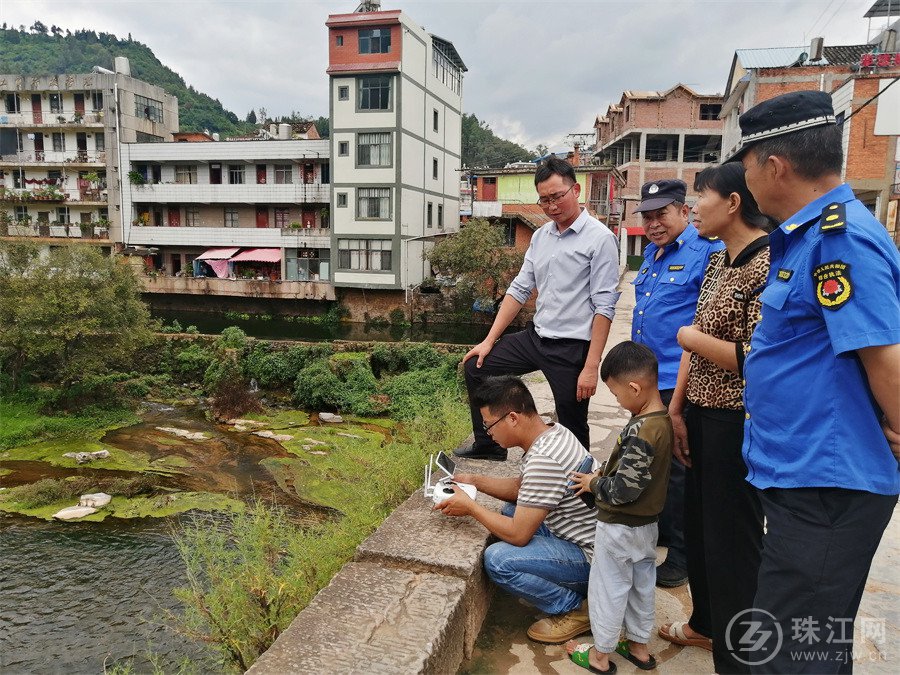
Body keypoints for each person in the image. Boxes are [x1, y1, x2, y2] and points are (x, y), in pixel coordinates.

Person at [726, 90, 900, 672]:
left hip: (829, 483)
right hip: (808, 477)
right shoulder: (805, 237)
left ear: (773, 166)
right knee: (811, 646)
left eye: (747, 167)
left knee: (790, 656)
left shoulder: (838, 238)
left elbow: (885, 356)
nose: (746, 181)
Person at [659, 163, 774, 673]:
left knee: (734, 540)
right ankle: (706, 624)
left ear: (732, 203)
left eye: (700, 197)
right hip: (700, 413)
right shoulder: (719, 263)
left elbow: (757, 355)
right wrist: (677, 409)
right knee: (701, 527)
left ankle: (740, 649)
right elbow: (698, 335)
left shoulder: (765, 264)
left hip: (738, 421)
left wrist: (689, 338)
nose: (693, 208)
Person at [454, 156, 619, 461]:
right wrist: (489, 341)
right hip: (535, 339)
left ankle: (579, 490)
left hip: (572, 348)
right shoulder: (541, 236)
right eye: (544, 200)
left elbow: (604, 305)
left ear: (576, 190)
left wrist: (591, 366)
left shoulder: (600, 239)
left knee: (572, 425)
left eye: (557, 196)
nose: (551, 206)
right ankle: (490, 446)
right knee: (476, 366)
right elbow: (519, 289)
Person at [435, 374, 598, 644]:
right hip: (586, 536)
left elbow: (519, 535)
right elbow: (522, 488)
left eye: (489, 426)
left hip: (591, 558)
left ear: (512, 418)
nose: (489, 434)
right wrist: (473, 481)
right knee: (512, 510)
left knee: (498, 560)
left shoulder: (544, 460)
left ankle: (576, 609)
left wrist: (471, 507)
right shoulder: (553, 432)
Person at [631, 178, 723, 589]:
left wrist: (678, 396)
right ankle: (666, 531)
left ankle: (683, 556)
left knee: (681, 469)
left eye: (661, 214)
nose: (653, 224)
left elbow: (706, 323)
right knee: (655, 462)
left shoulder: (708, 254)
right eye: (647, 217)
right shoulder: (652, 253)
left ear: (684, 212)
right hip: (650, 377)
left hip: (678, 379)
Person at [565, 341, 673, 674]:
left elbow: (624, 490)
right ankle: (638, 647)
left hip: (619, 527)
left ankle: (599, 655)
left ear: (635, 387)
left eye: (616, 394)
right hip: (647, 526)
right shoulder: (661, 420)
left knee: (608, 589)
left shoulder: (641, 430)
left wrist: (594, 484)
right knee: (641, 586)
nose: (617, 400)